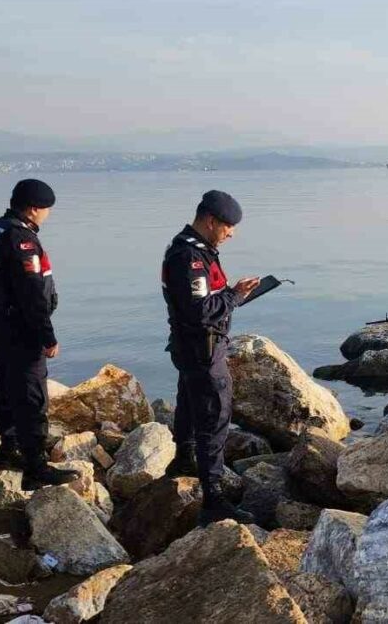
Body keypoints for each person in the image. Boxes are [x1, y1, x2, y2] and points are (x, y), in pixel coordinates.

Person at [161, 190, 260, 526]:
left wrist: (235, 294)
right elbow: (200, 311)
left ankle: (184, 458)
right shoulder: (189, 257)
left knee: (189, 403)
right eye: (228, 226)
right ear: (210, 221)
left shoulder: (198, 251)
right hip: (202, 349)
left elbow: (207, 299)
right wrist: (232, 296)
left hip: (194, 348)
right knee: (215, 415)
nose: (231, 233)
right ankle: (213, 497)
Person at [0, 179, 79, 490]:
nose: (47, 215)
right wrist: (47, 337)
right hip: (21, 329)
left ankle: (8, 449)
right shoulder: (20, 239)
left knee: (6, 387)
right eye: (46, 209)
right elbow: (32, 295)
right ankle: (36, 466)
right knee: (31, 396)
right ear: (34, 209)